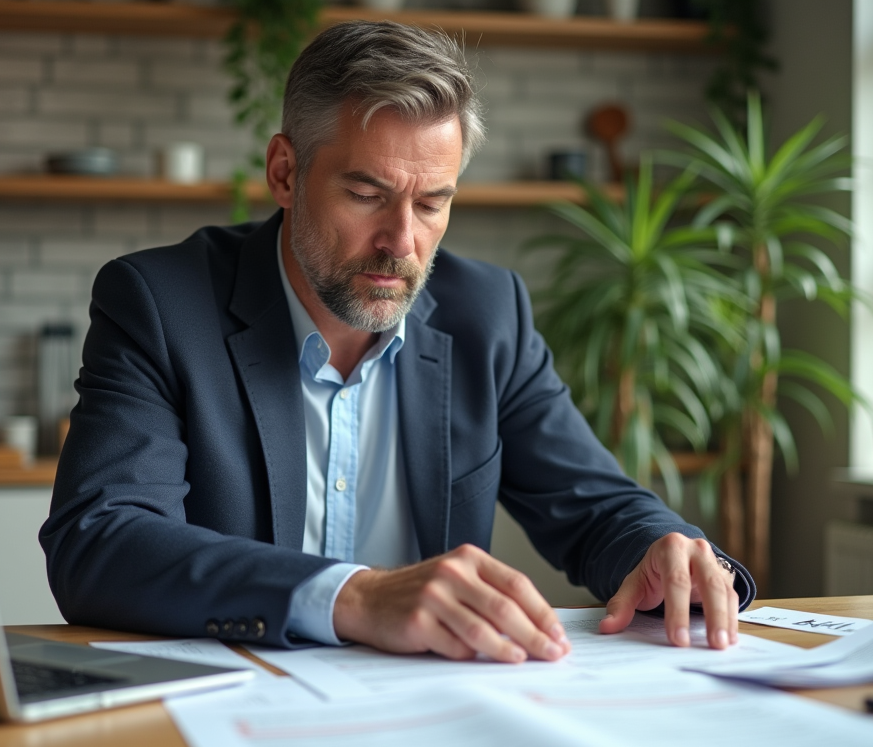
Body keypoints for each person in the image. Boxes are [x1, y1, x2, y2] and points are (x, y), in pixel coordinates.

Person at [40, 20, 755, 664]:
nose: (401, 243)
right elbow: (99, 542)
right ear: (286, 172)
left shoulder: (488, 315)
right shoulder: (162, 304)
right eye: (366, 194)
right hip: (229, 715)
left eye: (432, 202)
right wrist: (354, 596)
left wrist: (663, 552)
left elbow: (595, 505)